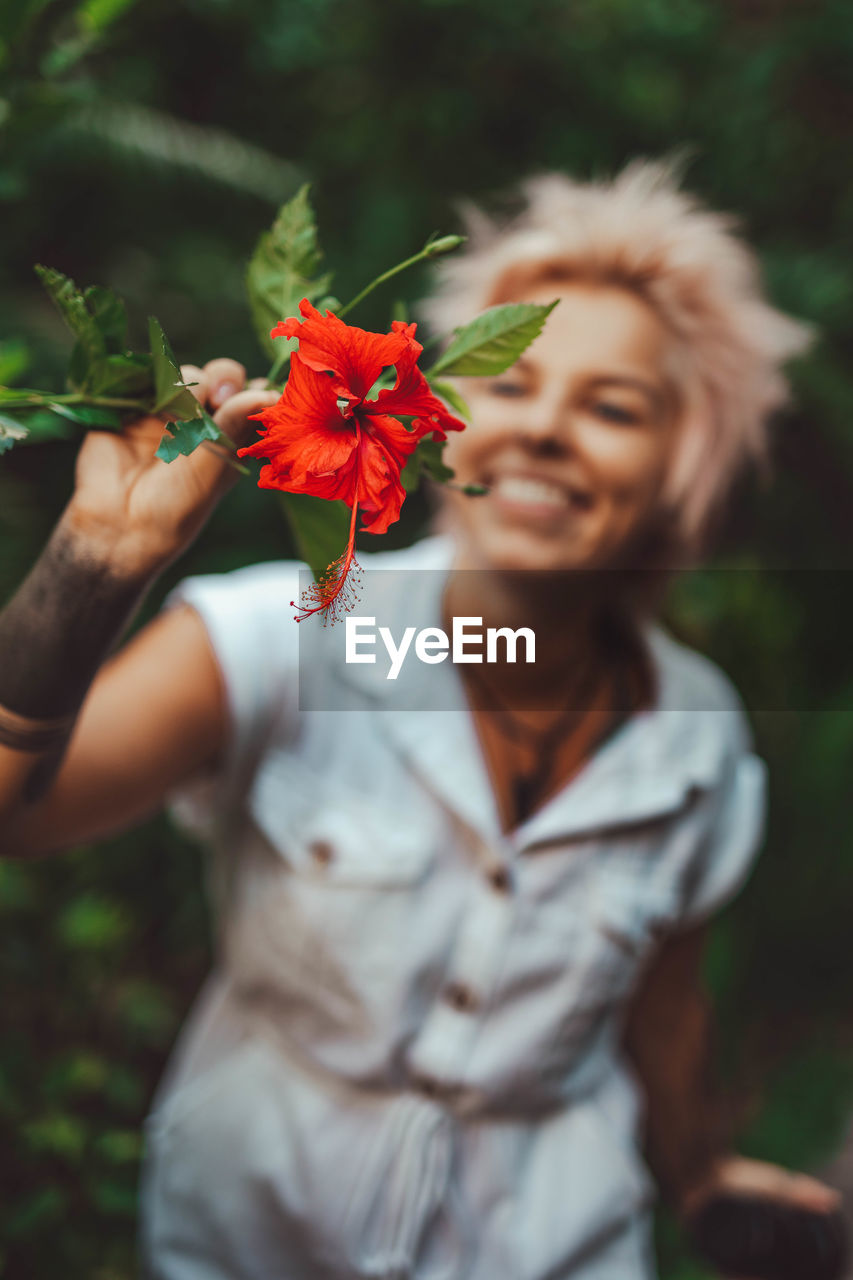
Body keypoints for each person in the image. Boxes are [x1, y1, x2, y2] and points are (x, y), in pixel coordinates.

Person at [0, 160, 844, 1279]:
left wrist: (699, 1172)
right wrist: (93, 566)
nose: (545, 428)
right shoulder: (284, 638)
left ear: (684, 467)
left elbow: (660, 998)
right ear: (429, 415)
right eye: (512, 382)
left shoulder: (695, 730)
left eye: (611, 404)